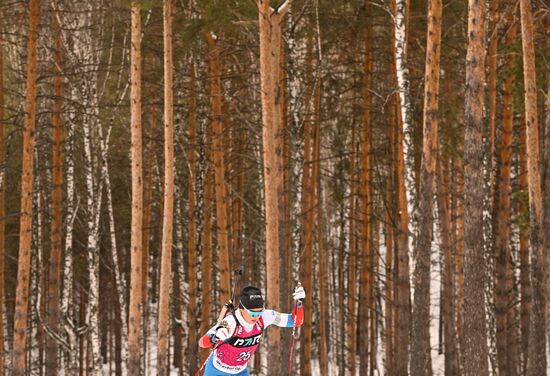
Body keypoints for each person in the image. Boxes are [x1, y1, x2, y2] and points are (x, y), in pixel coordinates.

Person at [198, 285, 305, 375]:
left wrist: (299, 304)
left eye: (260, 312)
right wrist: (214, 337)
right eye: (253, 313)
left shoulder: (264, 317)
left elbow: (295, 321)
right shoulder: (231, 321)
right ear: (242, 309)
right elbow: (202, 342)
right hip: (217, 371)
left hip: (240, 372)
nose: (256, 316)